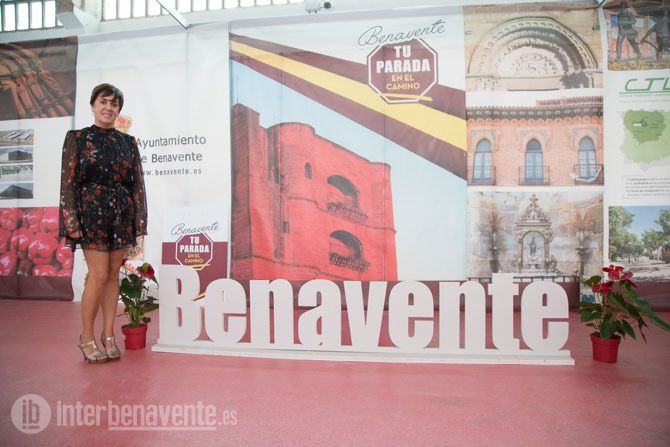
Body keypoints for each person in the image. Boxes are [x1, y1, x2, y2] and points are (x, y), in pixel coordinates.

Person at [59, 83, 147, 363]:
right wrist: (71, 218)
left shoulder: (128, 142)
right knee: (97, 275)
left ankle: (108, 335)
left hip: (120, 214)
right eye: (104, 102)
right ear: (93, 105)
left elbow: (137, 184)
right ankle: (86, 337)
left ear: (119, 110)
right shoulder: (77, 138)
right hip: (91, 214)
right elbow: (68, 182)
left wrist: (138, 218)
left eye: (114, 104)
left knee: (111, 275)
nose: (109, 107)